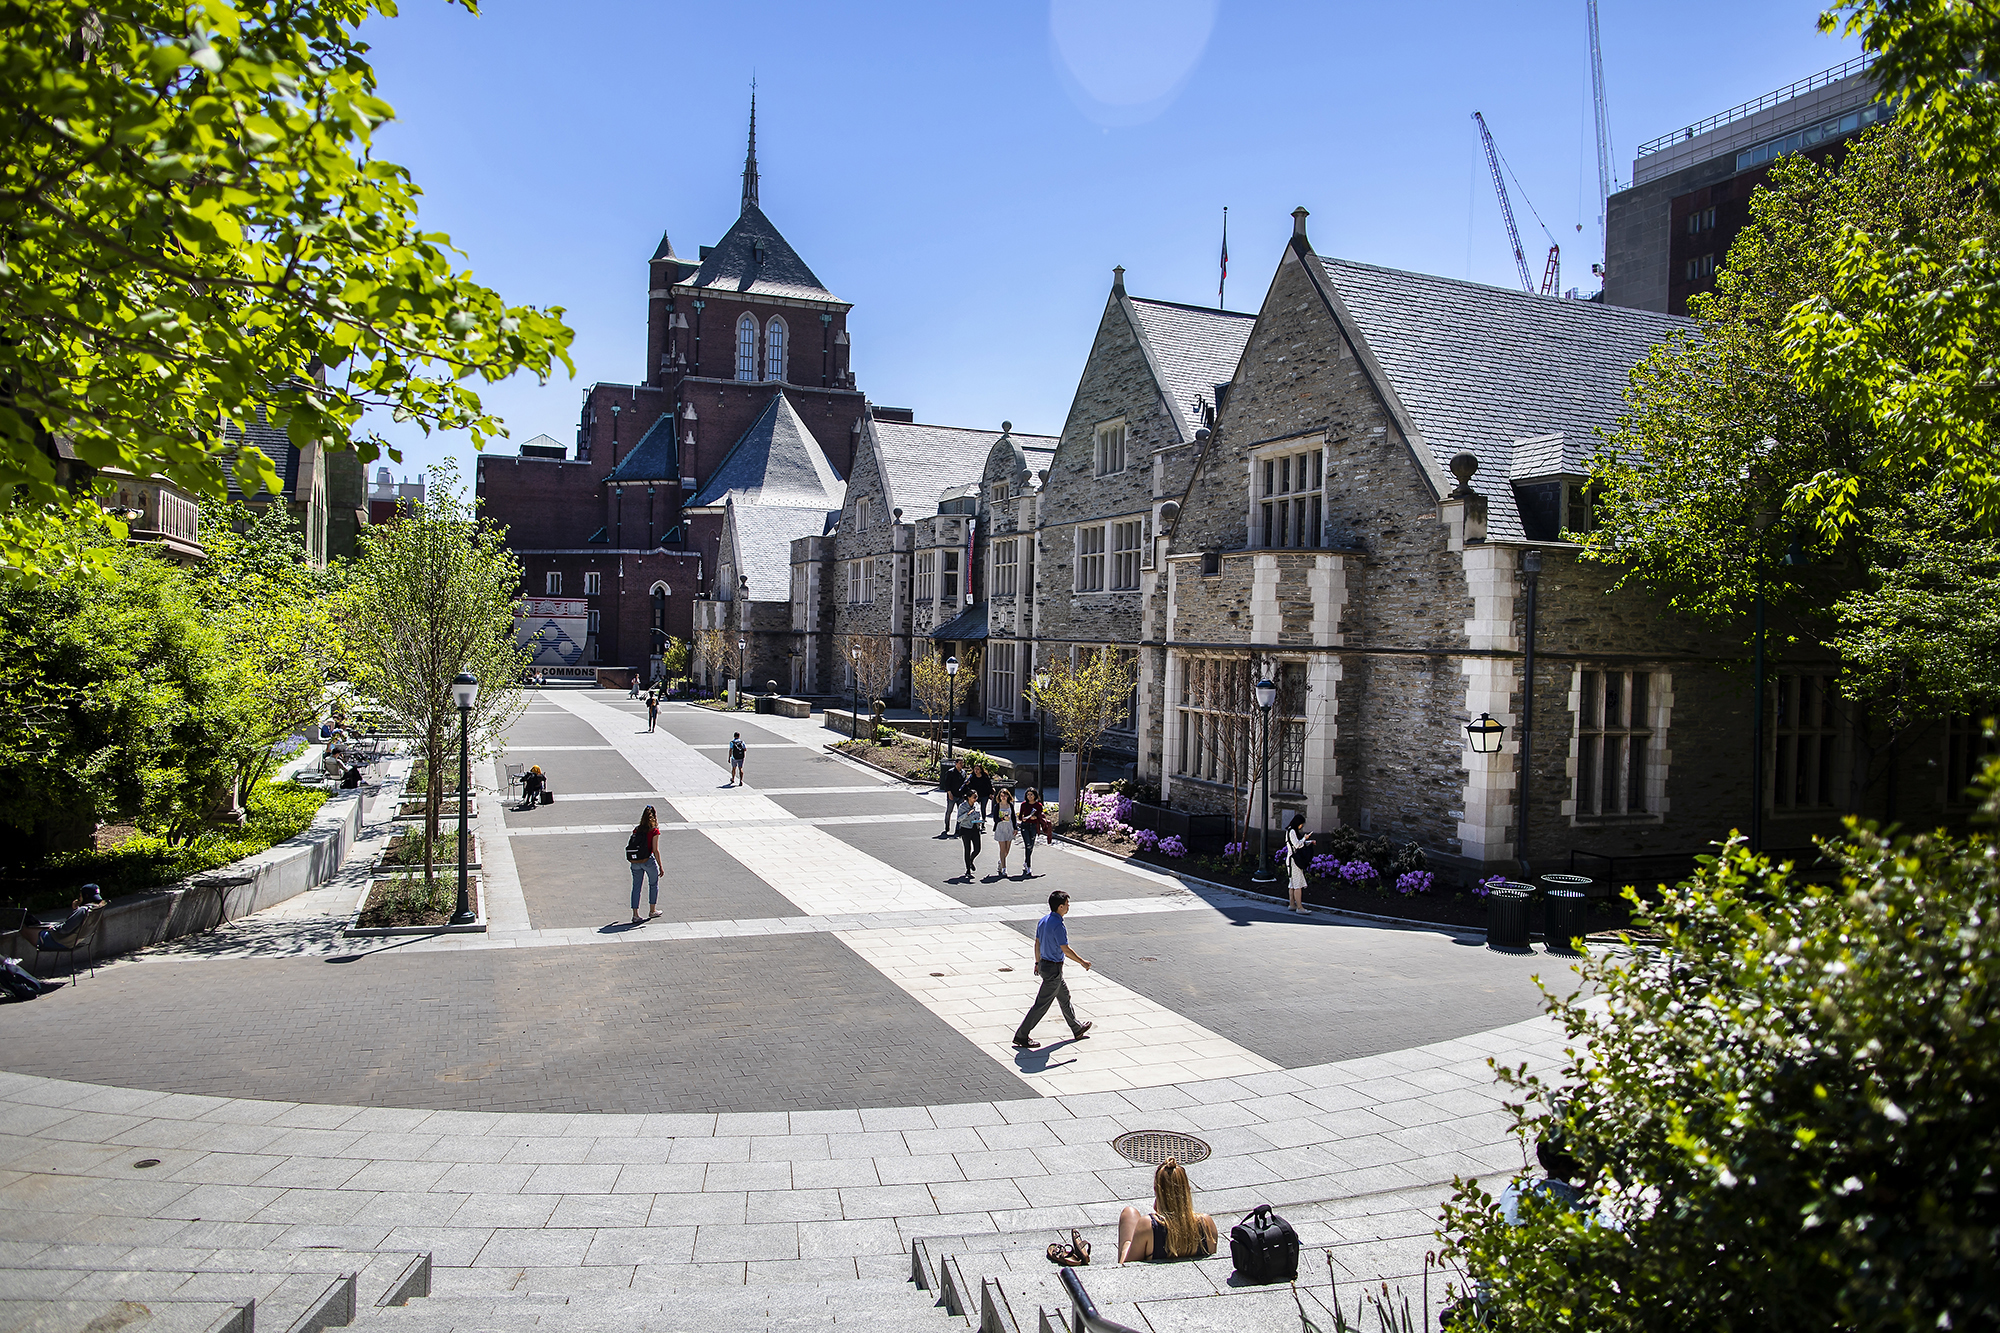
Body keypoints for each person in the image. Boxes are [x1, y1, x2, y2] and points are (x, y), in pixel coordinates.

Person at [1013, 890, 1093, 1050]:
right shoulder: (1058, 925)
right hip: (1053, 970)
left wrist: (1037, 962)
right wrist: (1082, 962)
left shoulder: (1043, 921)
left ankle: (1077, 1029)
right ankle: (1021, 1035)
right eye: (1067, 904)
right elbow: (1066, 949)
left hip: (1044, 965)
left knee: (1064, 997)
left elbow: (1037, 943)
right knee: (1041, 1005)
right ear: (1060, 906)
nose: (1069, 907)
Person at [1115, 1158, 1218, 1263]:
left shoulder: (1148, 1225)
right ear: (1187, 1189)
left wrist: (1127, 1243)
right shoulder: (1207, 1223)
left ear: (1157, 1191)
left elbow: (1128, 1267)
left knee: (1129, 1213)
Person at [37, 886, 103, 951]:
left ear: (85, 896)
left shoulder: (83, 910)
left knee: (31, 930)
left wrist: (53, 928)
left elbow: (65, 929)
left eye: (80, 896)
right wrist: (76, 910)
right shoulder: (95, 909)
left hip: (64, 942)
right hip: (77, 940)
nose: (79, 898)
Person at [628, 805, 662, 924]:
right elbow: (655, 850)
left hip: (635, 861)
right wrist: (660, 867)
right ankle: (652, 910)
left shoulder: (637, 829)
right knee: (653, 884)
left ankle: (635, 915)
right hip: (648, 861)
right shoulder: (654, 831)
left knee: (636, 887)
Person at [1018, 788, 1052, 877]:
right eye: (1028, 794)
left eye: (1031, 795)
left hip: (1033, 827)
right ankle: (1029, 866)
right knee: (1027, 845)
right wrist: (1024, 818)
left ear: (1035, 796)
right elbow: (1020, 817)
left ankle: (1026, 861)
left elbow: (1041, 815)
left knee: (1031, 846)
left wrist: (1036, 818)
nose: (1029, 796)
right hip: (1025, 826)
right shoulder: (1024, 805)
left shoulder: (1038, 805)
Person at [1285, 813, 1312, 913]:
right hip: (1294, 860)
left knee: (1292, 883)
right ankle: (1300, 907)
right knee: (1297, 884)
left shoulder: (1289, 831)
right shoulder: (1292, 831)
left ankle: (1292, 904)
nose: (1301, 827)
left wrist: (1308, 841)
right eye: (1301, 824)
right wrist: (1305, 838)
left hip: (1291, 859)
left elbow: (1296, 843)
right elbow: (1297, 844)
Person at [955, 791, 984, 879]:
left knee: (978, 849)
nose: (975, 799)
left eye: (976, 797)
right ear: (968, 797)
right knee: (967, 849)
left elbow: (979, 815)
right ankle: (968, 869)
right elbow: (959, 819)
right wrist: (967, 814)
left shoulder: (977, 805)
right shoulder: (963, 806)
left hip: (975, 828)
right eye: (974, 797)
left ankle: (971, 860)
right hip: (965, 829)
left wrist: (980, 821)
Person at [992, 788, 1019, 878]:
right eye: (1001, 796)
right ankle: (1004, 868)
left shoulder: (1010, 805)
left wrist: (1015, 828)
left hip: (1009, 827)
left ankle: (1001, 861)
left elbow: (1014, 818)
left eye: (1005, 795)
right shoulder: (997, 806)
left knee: (1007, 850)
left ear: (1008, 796)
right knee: (1002, 849)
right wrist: (1003, 818)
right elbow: (995, 819)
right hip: (1000, 828)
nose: (1003, 797)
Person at [938, 759, 965, 837]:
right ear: (956, 763)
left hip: (960, 795)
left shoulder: (963, 772)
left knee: (960, 813)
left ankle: (958, 829)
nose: (961, 765)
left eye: (962, 763)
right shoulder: (950, 772)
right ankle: (947, 826)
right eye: (960, 763)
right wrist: (949, 793)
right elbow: (947, 783)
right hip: (952, 795)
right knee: (949, 811)